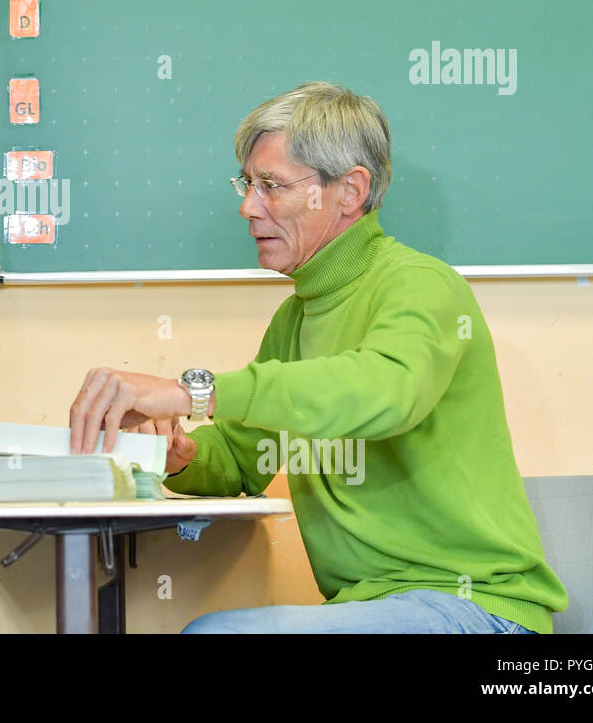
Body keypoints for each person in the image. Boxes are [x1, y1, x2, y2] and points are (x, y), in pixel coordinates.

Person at [69, 82, 566, 634]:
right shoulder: (295, 318)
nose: (247, 206)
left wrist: (194, 391)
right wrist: (180, 451)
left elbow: (382, 392)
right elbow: (240, 460)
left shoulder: (422, 285)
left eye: (271, 185)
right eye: (247, 183)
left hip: (475, 608)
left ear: (350, 190)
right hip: (373, 607)